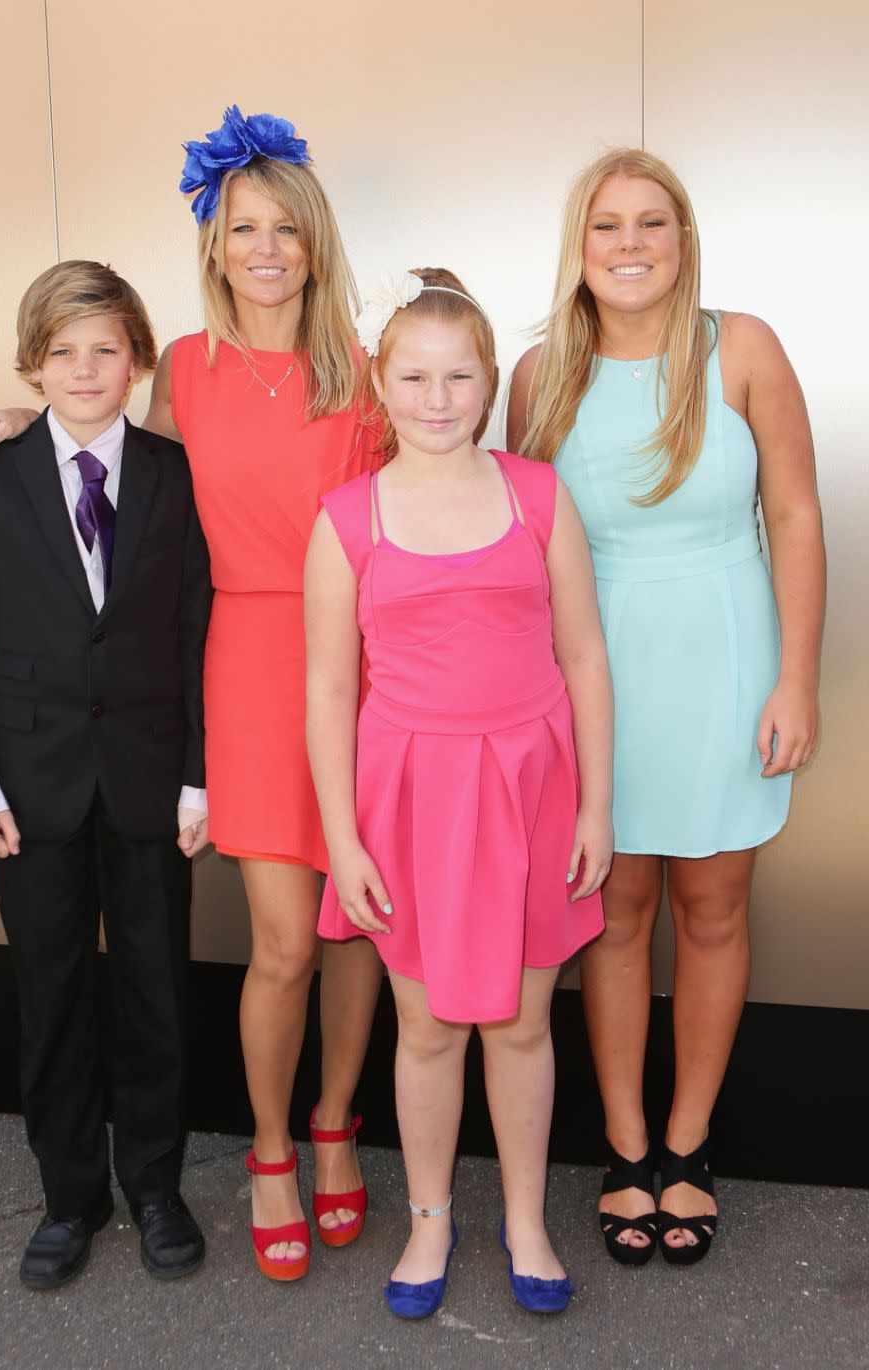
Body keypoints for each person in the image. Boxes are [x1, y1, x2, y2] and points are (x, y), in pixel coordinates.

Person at [0, 105, 383, 1283]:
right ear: (216, 239)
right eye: (247, 225)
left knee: (363, 924)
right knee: (288, 937)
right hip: (237, 665)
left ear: (316, 240)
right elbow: (98, 454)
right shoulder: (181, 368)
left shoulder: (372, 371)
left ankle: (340, 1122)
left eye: (288, 227)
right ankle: (275, 1152)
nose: (268, 247)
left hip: (360, 665)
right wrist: (7, 417)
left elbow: (416, 515)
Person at [507, 149, 824, 1266]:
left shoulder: (741, 349)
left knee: (716, 905)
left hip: (731, 665)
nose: (629, 243)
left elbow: (792, 515)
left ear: (684, 239)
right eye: (606, 226)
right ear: (579, 247)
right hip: (597, 680)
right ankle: (627, 1147)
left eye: (652, 222)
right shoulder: (541, 372)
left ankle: (690, 1145)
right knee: (618, 907)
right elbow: (515, 545)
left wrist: (797, 676)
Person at [305, 268, 612, 1318]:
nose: (437, 398)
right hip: (410, 804)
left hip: (529, 789)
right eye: (415, 376)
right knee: (427, 1022)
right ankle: (428, 1213)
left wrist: (598, 807)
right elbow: (330, 686)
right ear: (380, 385)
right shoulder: (349, 517)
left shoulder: (537, 494)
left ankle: (524, 1212)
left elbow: (584, 654)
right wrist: (343, 838)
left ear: (490, 383)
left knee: (523, 1022)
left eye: (459, 376)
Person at [0, 260, 212, 1288]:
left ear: (138, 359)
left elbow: (194, 633)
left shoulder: (174, 471)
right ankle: (68, 1193)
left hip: (148, 778)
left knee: (154, 991)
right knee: (51, 991)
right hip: (27, 782)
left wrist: (198, 774)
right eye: (63, 351)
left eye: (106, 348)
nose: (86, 368)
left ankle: (154, 1182)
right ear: (33, 364)